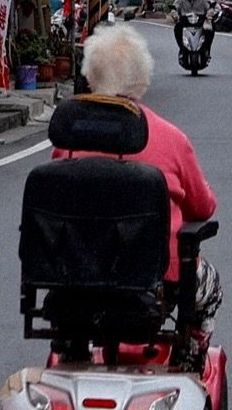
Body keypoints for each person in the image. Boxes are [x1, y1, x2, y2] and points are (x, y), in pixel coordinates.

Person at [57, 25, 219, 311]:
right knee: (211, 287)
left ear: (90, 78)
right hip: (159, 278)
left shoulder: (68, 142)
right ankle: (193, 346)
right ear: (142, 80)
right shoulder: (171, 138)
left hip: (76, 279)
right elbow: (203, 208)